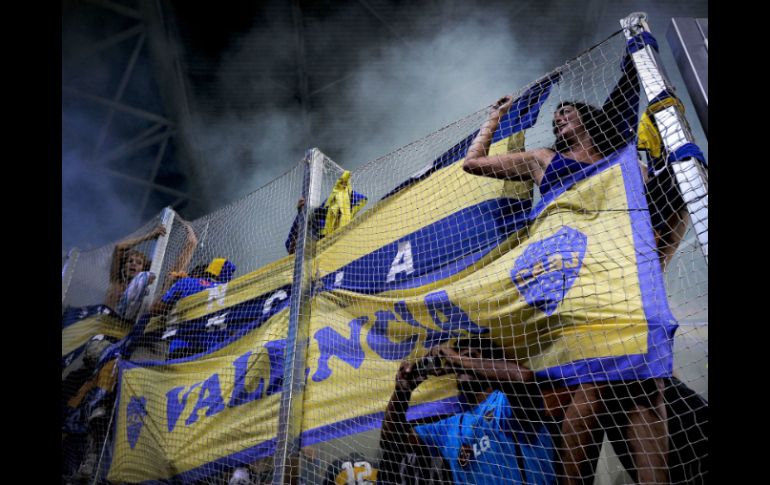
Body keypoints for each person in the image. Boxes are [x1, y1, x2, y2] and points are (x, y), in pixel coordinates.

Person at [463, 96, 669, 484]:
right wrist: (493, 119)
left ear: (589, 119)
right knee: (591, 379)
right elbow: (473, 163)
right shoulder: (543, 158)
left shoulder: (628, 166)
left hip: (621, 274)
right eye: (555, 115)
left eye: (567, 111)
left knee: (647, 382)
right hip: (572, 273)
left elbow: (655, 215)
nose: (558, 117)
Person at [380, 336, 557, 485]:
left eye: (471, 355)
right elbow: (391, 442)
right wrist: (402, 393)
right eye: (458, 357)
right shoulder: (450, 426)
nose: (460, 362)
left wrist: (458, 359)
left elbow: (523, 378)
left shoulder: (504, 402)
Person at [150, 257, 237, 359]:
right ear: (228, 277)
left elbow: (155, 310)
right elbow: (232, 330)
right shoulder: (229, 296)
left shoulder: (186, 283)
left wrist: (168, 285)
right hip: (210, 354)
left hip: (180, 347)